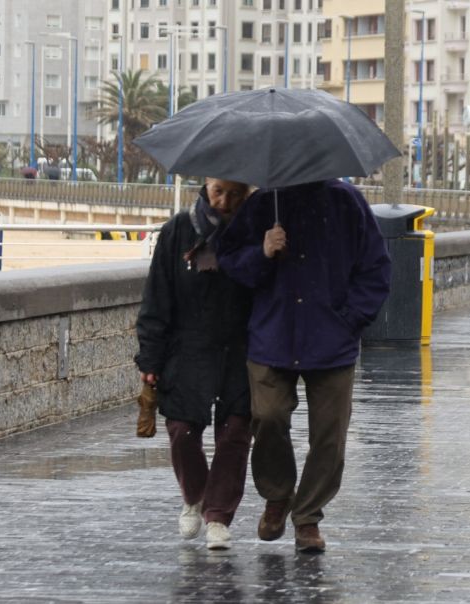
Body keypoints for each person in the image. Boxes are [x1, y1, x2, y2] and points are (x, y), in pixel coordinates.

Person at [216, 179, 391, 554]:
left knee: (330, 434)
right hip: (272, 334)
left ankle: (308, 516)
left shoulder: (348, 202)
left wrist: (350, 318)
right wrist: (262, 251)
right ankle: (277, 496)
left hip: (331, 339)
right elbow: (230, 260)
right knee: (267, 416)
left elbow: (375, 266)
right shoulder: (264, 202)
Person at [134, 177, 253, 551]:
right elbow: (156, 298)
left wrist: (267, 251)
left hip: (243, 347)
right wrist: (150, 358)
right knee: (182, 429)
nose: (224, 201)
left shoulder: (258, 228)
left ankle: (218, 516)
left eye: (235, 194)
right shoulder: (178, 230)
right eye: (219, 191)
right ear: (206, 185)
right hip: (188, 346)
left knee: (235, 433)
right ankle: (195, 496)